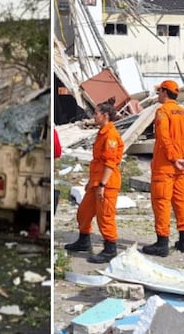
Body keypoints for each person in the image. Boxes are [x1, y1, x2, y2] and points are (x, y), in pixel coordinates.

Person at [63, 98, 125, 263]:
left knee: (105, 217)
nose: (94, 116)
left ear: (105, 115)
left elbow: (110, 163)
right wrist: (93, 183)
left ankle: (110, 249)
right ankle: (84, 241)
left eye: (96, 113)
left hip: (107, 183)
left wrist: (102, 185)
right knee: (84, 212)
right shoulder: (102, 132)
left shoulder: (111, 135)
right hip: (96, 181)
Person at [142, 80, 184, 257]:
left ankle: (162, 243)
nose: (158, 94)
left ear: (165, 92)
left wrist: (174, 159)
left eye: (159, 91)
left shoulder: (163, 111)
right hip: (181, 166)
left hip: (165, 166)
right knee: (180, 201)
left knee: (161, 202)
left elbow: (164, 138)